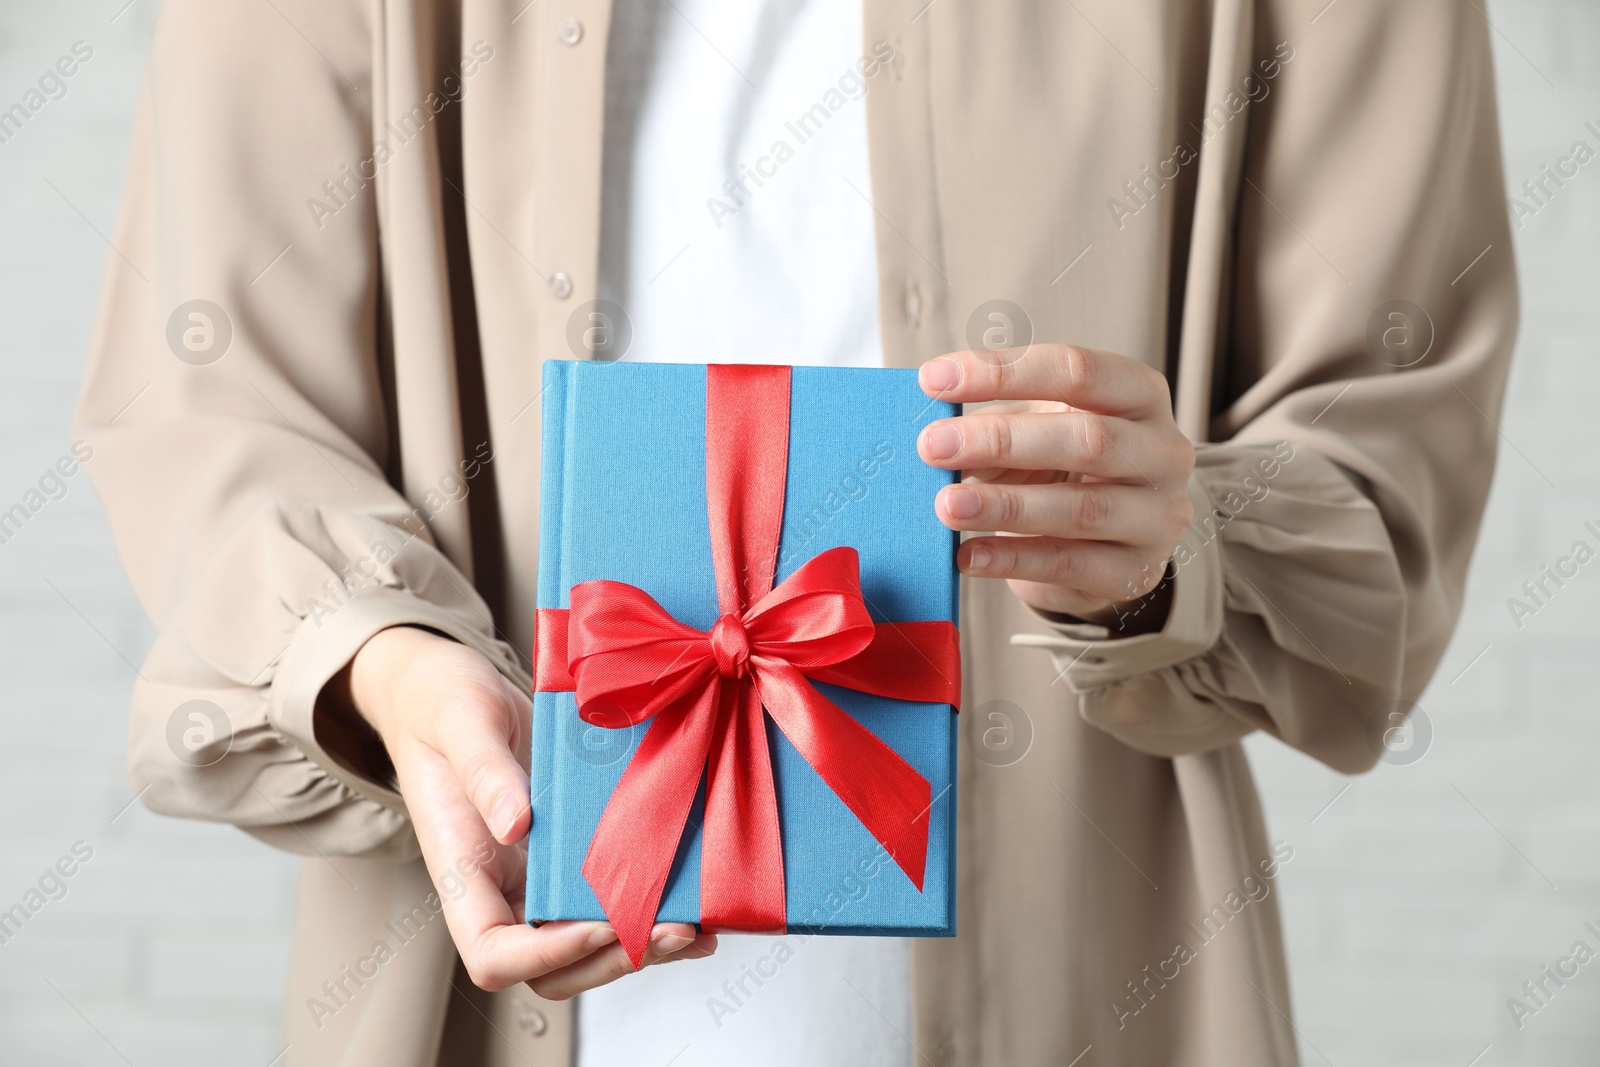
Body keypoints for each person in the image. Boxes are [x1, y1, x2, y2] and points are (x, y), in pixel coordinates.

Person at [76, 0, 1515, 1064]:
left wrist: (1173, 539)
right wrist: (386, 661)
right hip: (464, 994)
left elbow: (1382, 470)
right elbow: (214, 399)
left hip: (1093, 986)